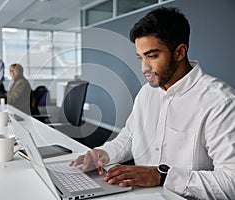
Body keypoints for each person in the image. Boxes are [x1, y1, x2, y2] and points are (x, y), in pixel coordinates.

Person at [70, 7, 235, 200]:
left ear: (180, 52)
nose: (144, 68)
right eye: (141, 57)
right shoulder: (147, 92)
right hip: (139, 194)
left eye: (152, 56)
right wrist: (103, 153)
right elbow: (130, 137)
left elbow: (231, 182)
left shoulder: (220, 102)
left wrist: (162, 176)